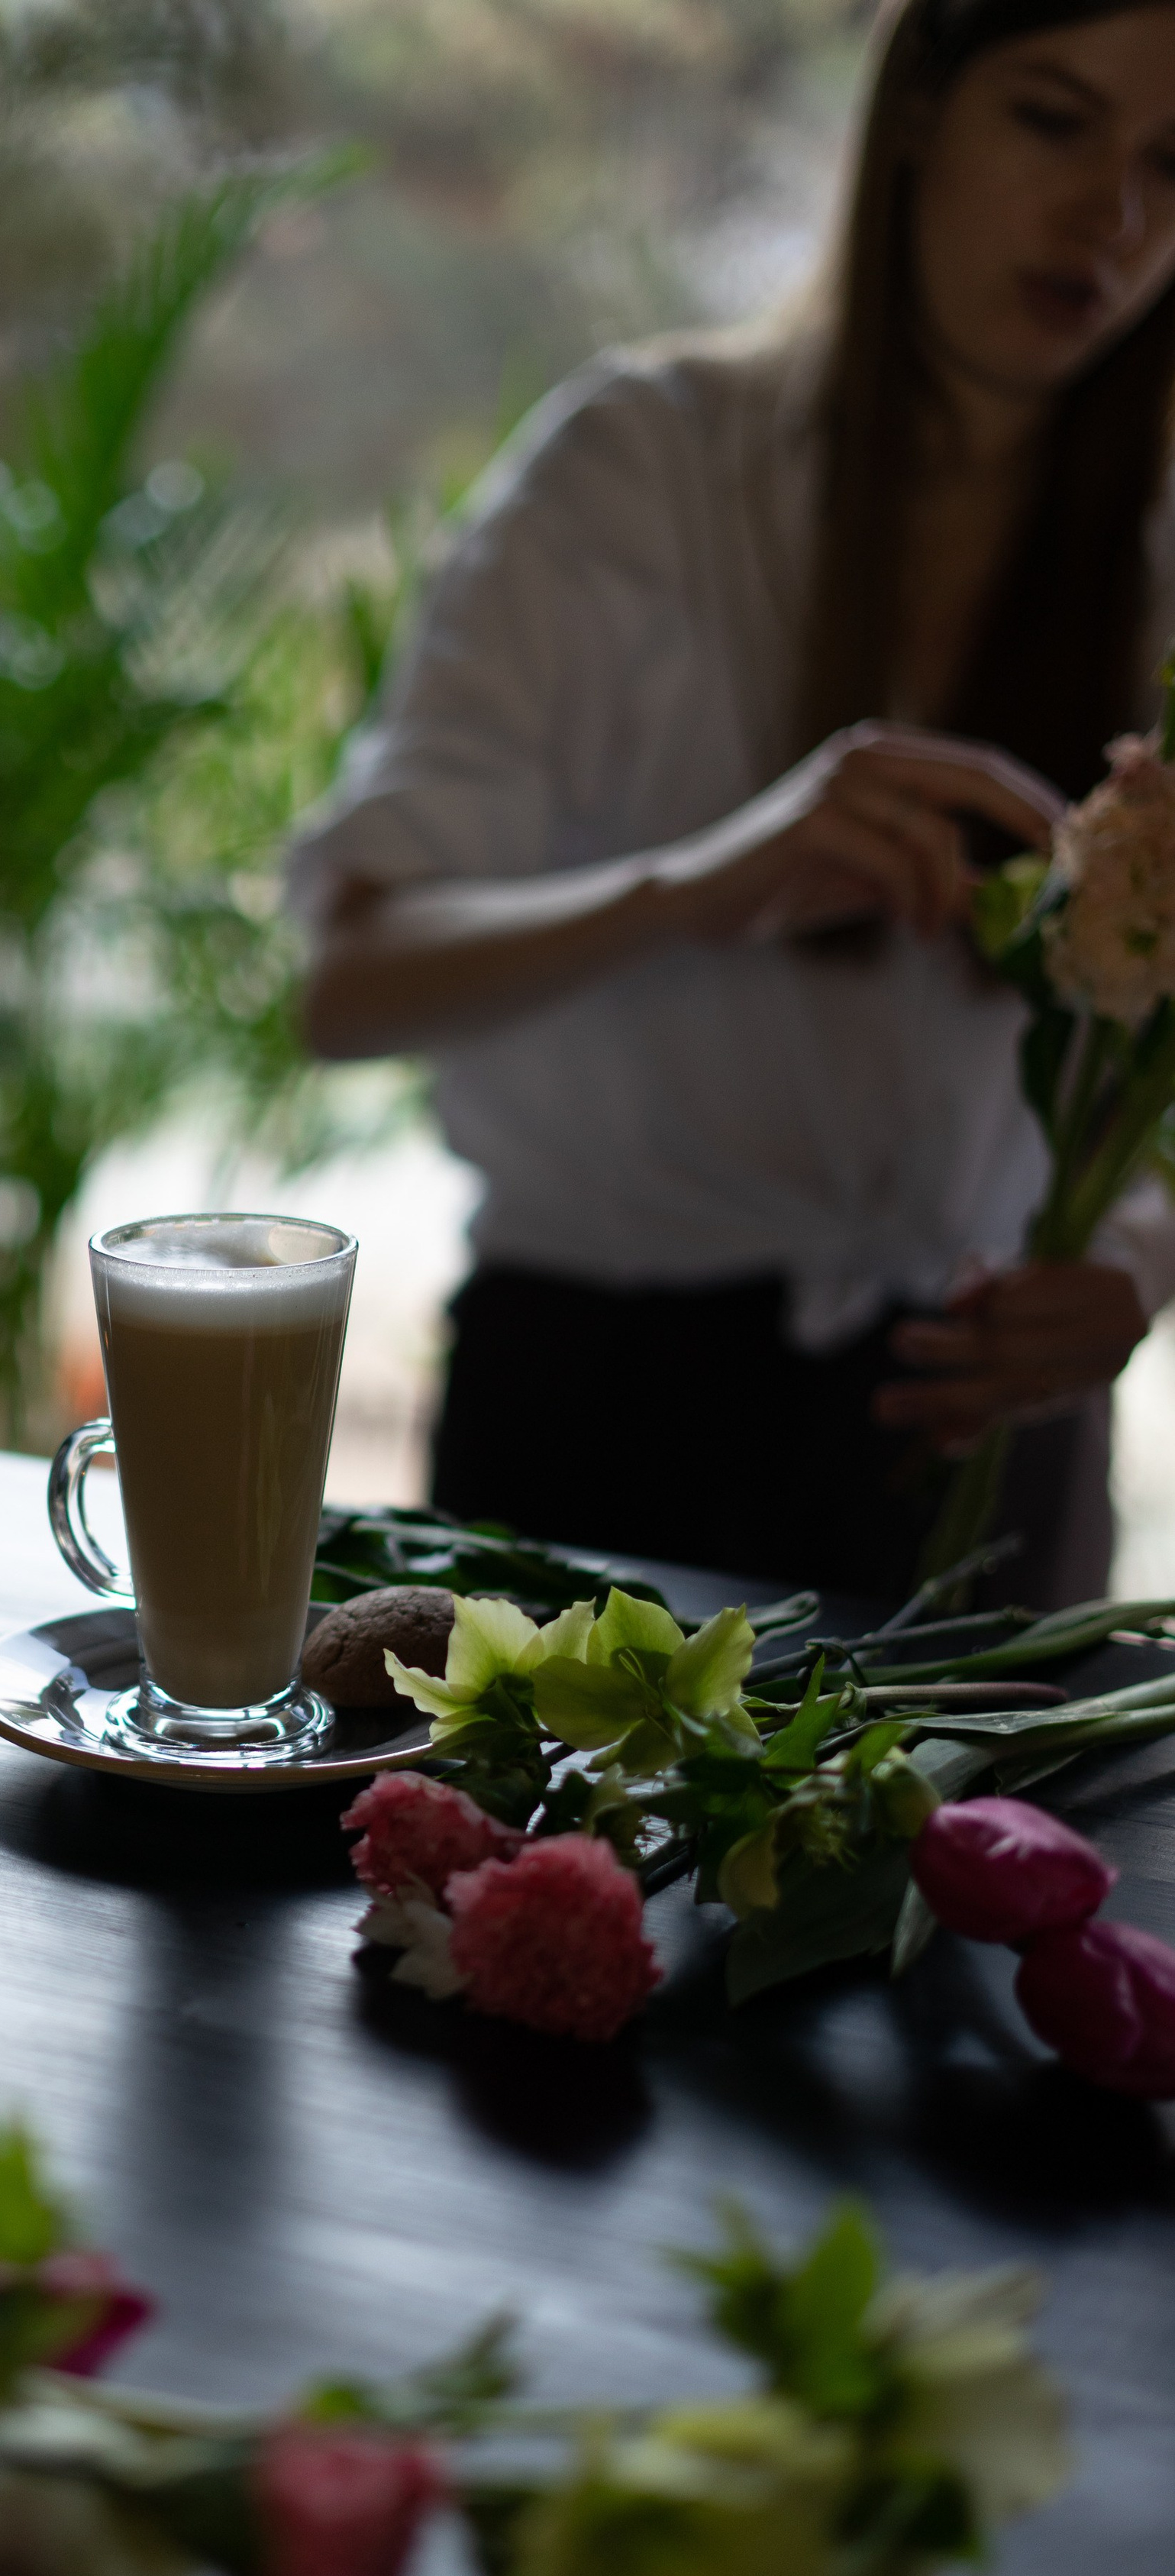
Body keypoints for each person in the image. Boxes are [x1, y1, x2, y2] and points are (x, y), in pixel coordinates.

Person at [289, 0, 1175, 1604]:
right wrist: (704, 880)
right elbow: (343, 980)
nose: (1110, 218)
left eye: (1170, 166)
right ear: (913, 112)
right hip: (600, 1425)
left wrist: (1130, 1266)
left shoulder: (1155, 570)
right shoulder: (636, 471)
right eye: (1051, 121)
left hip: (986, 1455)